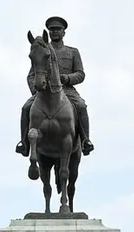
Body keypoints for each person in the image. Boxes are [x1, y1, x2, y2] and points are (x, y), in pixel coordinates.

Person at [16, 16, 93, 156]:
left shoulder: (72, 52)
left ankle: (85, 141)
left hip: (67, 91)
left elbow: (80, 74)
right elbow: (31, 75)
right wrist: (35, 90)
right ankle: (24, 144)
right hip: (43, 93)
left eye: (58, 29)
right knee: (26, 107)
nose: (55, 32)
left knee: (81, 106)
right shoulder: (41, 50)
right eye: (52, 29)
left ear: (64, 32)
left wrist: (66, 78)